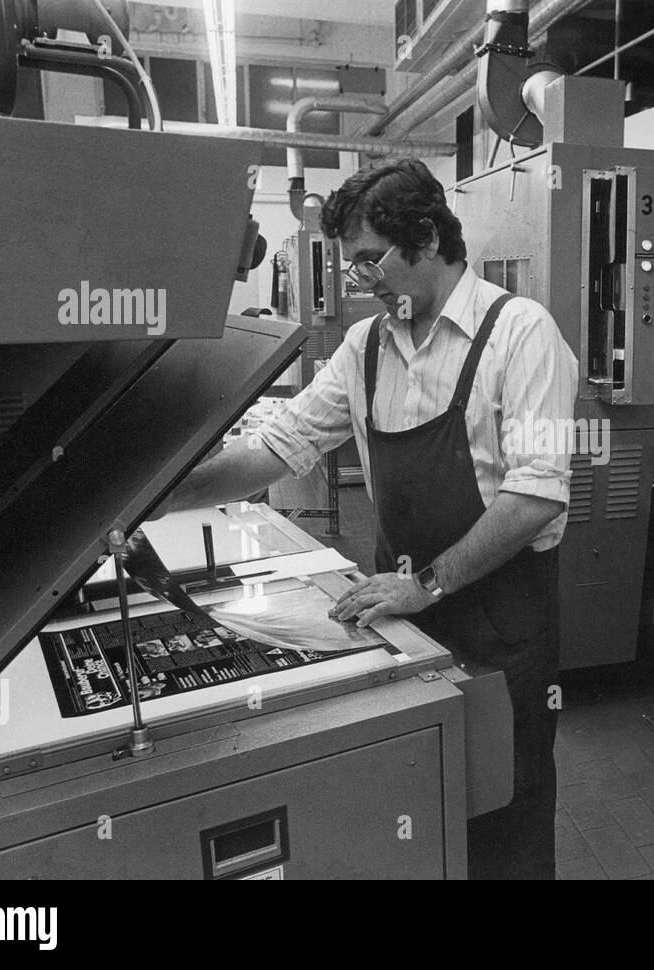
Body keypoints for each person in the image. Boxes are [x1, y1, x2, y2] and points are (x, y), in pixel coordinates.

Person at [157, 158, 577, 880]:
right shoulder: (366, 349)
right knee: (424, 808)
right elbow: (276, 450)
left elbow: (535, 496)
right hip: (409, 627)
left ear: (424, 236)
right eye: (353, 268)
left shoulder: (522, 335)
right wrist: (161, 491)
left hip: (504, 627)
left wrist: (430, 584)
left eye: (368, 261)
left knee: (506, 815)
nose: (362, 282)